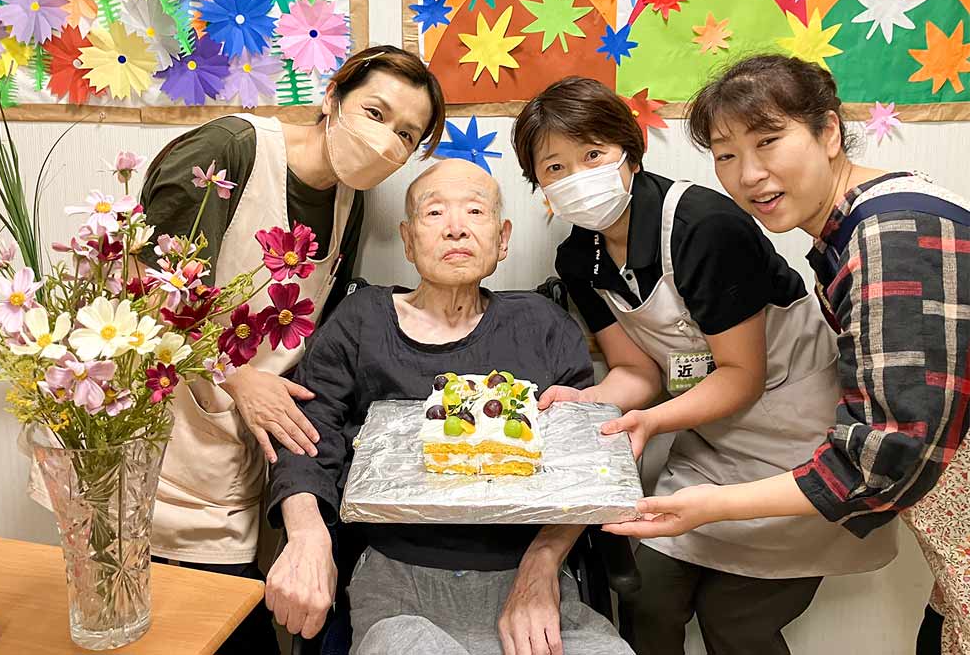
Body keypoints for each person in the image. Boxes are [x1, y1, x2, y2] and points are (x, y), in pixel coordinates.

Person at [511, 77, 897, 655]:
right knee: (646, 598)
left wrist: (650, 422)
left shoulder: (702, 225)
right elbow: (637, 372)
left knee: (735, 622)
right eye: (554, 167)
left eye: (592, 155)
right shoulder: (578, 257)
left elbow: (741, 375)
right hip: (712, 444)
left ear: (631, 150)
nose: (577, 177)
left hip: (800, 440)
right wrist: (588, 404)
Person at [608, 55, 970, 655]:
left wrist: (710, 506)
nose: (749, 175)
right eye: (726, 155)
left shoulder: (892, 234)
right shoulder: (854, 227)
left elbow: (883, 458)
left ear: (828, 132)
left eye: (768, 141)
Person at [136, 45, 445, 653]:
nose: (387, 141)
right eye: (376, 113)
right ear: (332, 97)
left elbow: (313, 329)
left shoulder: (349, 199)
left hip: (244, 443)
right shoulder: (231, 151)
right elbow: (143, 291)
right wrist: (236, 377)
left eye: (407, 135)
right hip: (163, 433)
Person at [264, 159, 635, 655]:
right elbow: (307, 435)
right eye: (434, 212)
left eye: (475, 211)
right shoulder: (362, 320)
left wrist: (543, 563)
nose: (456, 227)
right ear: (407, 239)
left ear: (503, 238)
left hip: (531, 575)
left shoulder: (543, 325)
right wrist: (307, 535)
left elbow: (582, 464)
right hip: (398, 581)